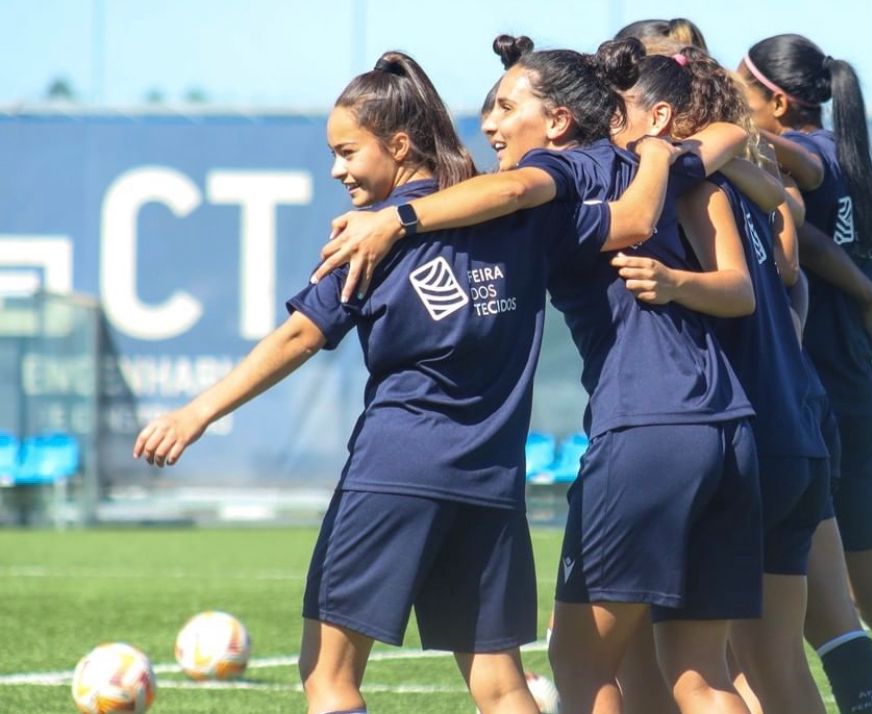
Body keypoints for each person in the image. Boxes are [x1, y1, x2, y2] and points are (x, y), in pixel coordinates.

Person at [131, 50, 675, 714]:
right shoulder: (523, 218)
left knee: (328, 676)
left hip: (396, 468)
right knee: (500, 684)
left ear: (398, 143)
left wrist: (196, 413)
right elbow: (630, 222)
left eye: (348, 152)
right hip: (491, 479)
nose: (337, 170)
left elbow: (301, 334)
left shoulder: (374, 236)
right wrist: (657, 154)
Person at [312, 35, 762, 714]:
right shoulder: (652, 160)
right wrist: (666, 152)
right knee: (701, 674)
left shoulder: (563, 173)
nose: (489, 125)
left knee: (577, 662)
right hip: (729, 426)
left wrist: (398, 220)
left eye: (504, 108)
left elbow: (516, 187)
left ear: (556, 122)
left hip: (646, 424)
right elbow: (729, 132)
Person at [605, 45, 830, 714]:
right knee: (775, 665)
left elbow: (746, 292)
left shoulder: (695, 191)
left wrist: (674, 280)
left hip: (745, 438)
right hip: (800, 435)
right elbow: (788, 268)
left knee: (683, 667)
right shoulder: (752, 193)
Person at [739, 33, 872, 714]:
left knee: (789, 607)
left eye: (740, 92)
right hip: (861, 408)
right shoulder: (866, 179)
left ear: (775, 100)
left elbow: (785, 165)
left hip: (803, 412)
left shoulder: (802, 159)